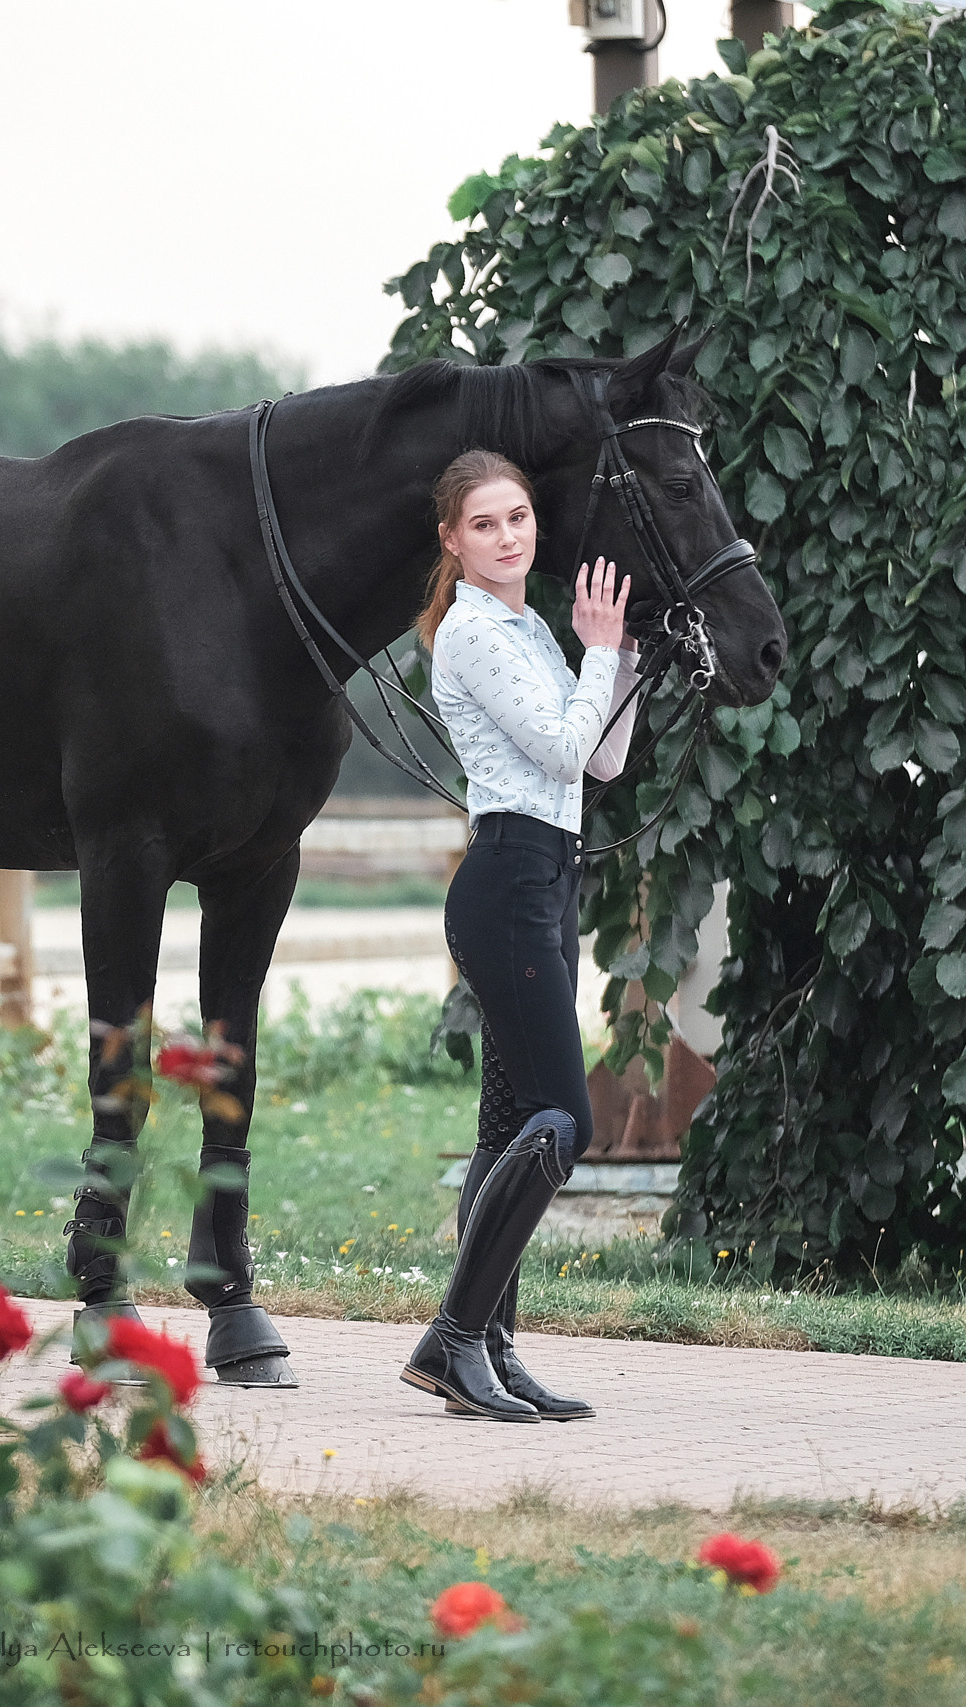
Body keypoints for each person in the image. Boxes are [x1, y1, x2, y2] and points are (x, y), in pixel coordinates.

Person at [403, 448, 637, 1423]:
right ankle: (452, 1340)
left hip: (544, 876)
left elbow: (605, 759)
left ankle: (489, 1350)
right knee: (563, 1120)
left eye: (520, 518)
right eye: (486, 524)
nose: (509, 537)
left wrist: (621, 654)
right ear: (453, 541)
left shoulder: (528, 626)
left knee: (507, 1128)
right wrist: (595, 655)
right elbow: (556, 745)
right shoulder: (472, 633)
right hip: (505, 883)